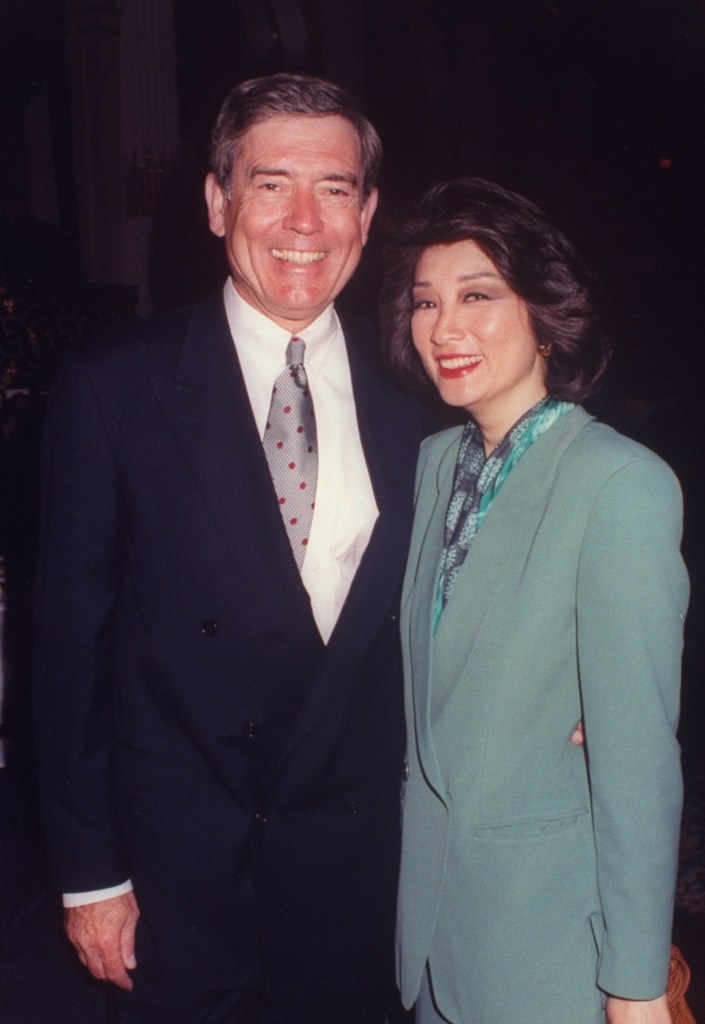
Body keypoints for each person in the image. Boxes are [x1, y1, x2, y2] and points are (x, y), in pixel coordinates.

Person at [33, 73, 428, 1024]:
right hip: (180, 888)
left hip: (360, 883)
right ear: (216, 202)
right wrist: (90, 877)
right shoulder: (112, 389)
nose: (303, 220)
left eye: (334, 189)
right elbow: (66, 649)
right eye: (269, 183)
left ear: (367, 215)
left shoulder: (419, 401)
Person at [379, 178, 688, 1024]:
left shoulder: (619, 485)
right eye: (425, 302)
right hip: (433, 931)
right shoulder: (431, 464)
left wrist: (632, 983)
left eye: (477, 295)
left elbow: (637, 767)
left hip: (548, 943)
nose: (444, 328)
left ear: (545, 311)